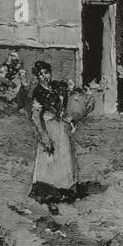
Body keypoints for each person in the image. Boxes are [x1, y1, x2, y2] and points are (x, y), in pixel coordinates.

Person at [29, 60, 80, 215]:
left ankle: (63, 191)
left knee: (64, 158)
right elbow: (36, 116)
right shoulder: (38, 92)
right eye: (41, 74)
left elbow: (68, 104)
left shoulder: (57, 86)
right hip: (48, 128)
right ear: (37, 77)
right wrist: (44, 137)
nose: (45, 77)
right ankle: (49, 197)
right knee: (49, 161)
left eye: (46, 72)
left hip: (60, 128)